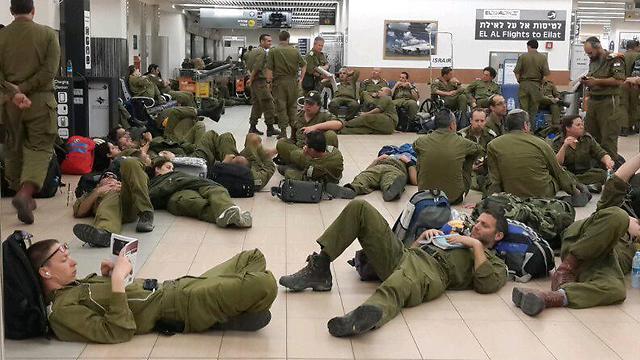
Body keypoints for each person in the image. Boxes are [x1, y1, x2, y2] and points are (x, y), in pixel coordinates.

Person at [279, 199, 508, 337]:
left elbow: (486, 284)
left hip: (433, 271)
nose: (476, 227)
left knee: (401, 281)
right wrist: (422, 240)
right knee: (361, 208)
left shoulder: (493, 261)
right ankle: (321, 267)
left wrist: (475, 245)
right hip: (408, 254)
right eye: (477, 222)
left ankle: (367, 316)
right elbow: (411, 251)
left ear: (498, 236)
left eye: (484, 226)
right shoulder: (458, 234)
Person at [28, 239, 277, 343]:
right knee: (265, 284)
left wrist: (111, 276)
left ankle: (230, 307)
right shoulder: (60, 313)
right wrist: (116, 280)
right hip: (180, 306)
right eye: (63, 261)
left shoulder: (77, 285)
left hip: (176, 286)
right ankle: (223, 311)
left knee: (252, 257)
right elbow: (117, 331)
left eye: (69, 256)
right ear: (45, 272)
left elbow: (119, 298)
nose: (73, 263)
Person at [512, 152, 640, 317]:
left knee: (616, 290)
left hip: (602, 265)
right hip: (579, 244)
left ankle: (551, 297)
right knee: (618, 216)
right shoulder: (614, 208)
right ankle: (566, 269)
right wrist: (625, 224)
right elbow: (619, 178)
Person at [0, 0, 61, 224]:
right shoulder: (47, 35)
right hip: (40, 101)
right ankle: (25, 193)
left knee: (13, 147)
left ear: (10, 11)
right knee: (40, 146)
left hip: (8, 103)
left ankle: (19, 190)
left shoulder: (2, 36)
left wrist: (14, 92)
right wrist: (25, 89)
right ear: (33, 11)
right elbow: (49, 70)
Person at [486, 110, 584, 201]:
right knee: (559, 172)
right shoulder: (540, 143)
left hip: (511, 196)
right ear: (525, 125)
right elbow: (558, 172)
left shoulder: (493, 145)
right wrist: (576, 192)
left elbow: (494, 179)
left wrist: (491, 201)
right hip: (542, 195)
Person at [72, 157, 155, 248]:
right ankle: (104, 233)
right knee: (112, 194)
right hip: (110, 214)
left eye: (114, 177)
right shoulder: (93, 192)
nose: (110, 177)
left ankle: (146, 213)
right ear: (98, 184)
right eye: (106, 176)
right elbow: (79, 212)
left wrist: (124, 187)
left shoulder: (122, 186)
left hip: (130, 207)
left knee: (129, 162)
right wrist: (97, 192)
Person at [149, 158, 253, 228]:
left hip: (192, 184)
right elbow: (152, 195)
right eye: (168, 167)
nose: (171, 170)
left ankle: (228, 210)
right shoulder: (154, 182)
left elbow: (189, 180)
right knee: (193, 202)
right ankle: (235, 218)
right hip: (176, 194)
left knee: (216, 190)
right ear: (157, 169)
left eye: (172, 168)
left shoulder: (177, 175)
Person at [413, 109, 483, 204]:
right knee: (468, 156)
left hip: (424, 197)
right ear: (452, 125)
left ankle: (427, 185)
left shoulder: (421, 141)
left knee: (422, 156)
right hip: (454, 198)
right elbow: (479, 149)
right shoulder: (462, 142)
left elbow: (414, 147)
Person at [581, 36, 625, 159]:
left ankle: (610, 168)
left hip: (608, 102)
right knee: (590, 135)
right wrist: (587, 80)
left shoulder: (614, 59)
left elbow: (619, 80)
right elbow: (593, 75)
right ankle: (594, 166)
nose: (589, 55)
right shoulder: (593, 60)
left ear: (598, 47)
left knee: (608, 136)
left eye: (590, 52)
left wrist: (596, 82)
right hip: (593, 101)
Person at [552, 115, 614, 193]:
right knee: (562, 176)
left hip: (585, 172)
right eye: (578, 125)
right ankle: (585, 186)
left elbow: (600, 152)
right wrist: (564, 146)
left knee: (602, 174)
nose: (582, 127)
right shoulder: (557, 142)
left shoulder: (587, 138)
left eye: (582, 124)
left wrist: (608, 160)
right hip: (567, 172)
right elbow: (557, 163)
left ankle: (573, 184)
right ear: (568, 128)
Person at [276, 91, 339, 163]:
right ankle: (308, 165)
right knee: (281, 143)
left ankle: (317, 164)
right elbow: (293, 138)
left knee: (331, 134)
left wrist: (315, 127)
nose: (307, 106)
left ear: (318, 106)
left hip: (317, 153)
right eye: (306, 103)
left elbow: (338, 124)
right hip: (301, 152)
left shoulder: (324, 115)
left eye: (311, 104)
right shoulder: (297, 116)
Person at [266, 30, 306, 136]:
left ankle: (283, 132)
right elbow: (304, 65)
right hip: (293, 82)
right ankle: (294, 131)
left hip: (279, 83)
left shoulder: (273, 51)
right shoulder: (295, 51)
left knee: (281, 106)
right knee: (292, 106)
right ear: (288, 38)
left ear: (279, 39)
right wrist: (301, 79)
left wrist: (268, 82)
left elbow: (269, 69)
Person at [277, 130, 344, 185]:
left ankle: (292, 165)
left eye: (306, 145)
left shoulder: (314, 167)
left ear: (312, 150)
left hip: (317, 175)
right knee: (331, 134)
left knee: (287, 172)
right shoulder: (336, 152)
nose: (304, 146)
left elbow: (308, 173)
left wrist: (306, 155)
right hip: (323, 167)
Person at [246, 34, 281, 137]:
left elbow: (249, 64)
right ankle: (270, 128)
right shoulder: (262, 52)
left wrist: (251, 78)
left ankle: (252, 127)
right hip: (260, 81)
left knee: (257, 105)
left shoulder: (252, 51)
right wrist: (251, 78)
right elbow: (257, 66)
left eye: (270, 41)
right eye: (268, 41)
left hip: (255, 82)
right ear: (262, 41)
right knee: (269, 104)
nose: (270, 43)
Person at [344, 153, 417, 201]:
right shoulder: (388, 150)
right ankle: (352, 189)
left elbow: (414, 181)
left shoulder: (413, 158)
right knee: (364, 176)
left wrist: (409, 162)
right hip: (379, 166)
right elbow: (367, 170)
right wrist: (376, 160)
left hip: (396, 169)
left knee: (391, 179)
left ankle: (391, 191)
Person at [457, 109, 496, 193]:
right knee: (473, 186)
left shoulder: (491, 135)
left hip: (486, 170)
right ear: (471, 120)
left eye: (482, 121)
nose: (479, 124)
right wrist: (470, 167)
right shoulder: (462, 136)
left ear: (485, 121)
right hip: (468, 170)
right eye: (476, 121)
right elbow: (456, 157)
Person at [513, 39, 550, 124]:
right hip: (536, 85)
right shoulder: (542, 58)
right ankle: (531, 131)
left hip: (524, 84)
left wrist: (520, 81)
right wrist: (540, 84)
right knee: (533, 110)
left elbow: (516, 71)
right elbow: (545, 76)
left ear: (529, 46)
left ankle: (523, 130)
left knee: (523, 110)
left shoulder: (523, 57)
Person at [620, 40, 640, 136]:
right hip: (635, 84)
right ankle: (633, 126)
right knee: (635, 105)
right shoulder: (638, 56)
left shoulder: (621, 56)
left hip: (623, 83)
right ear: (636, 46)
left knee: (623, 105)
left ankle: (624, 128)